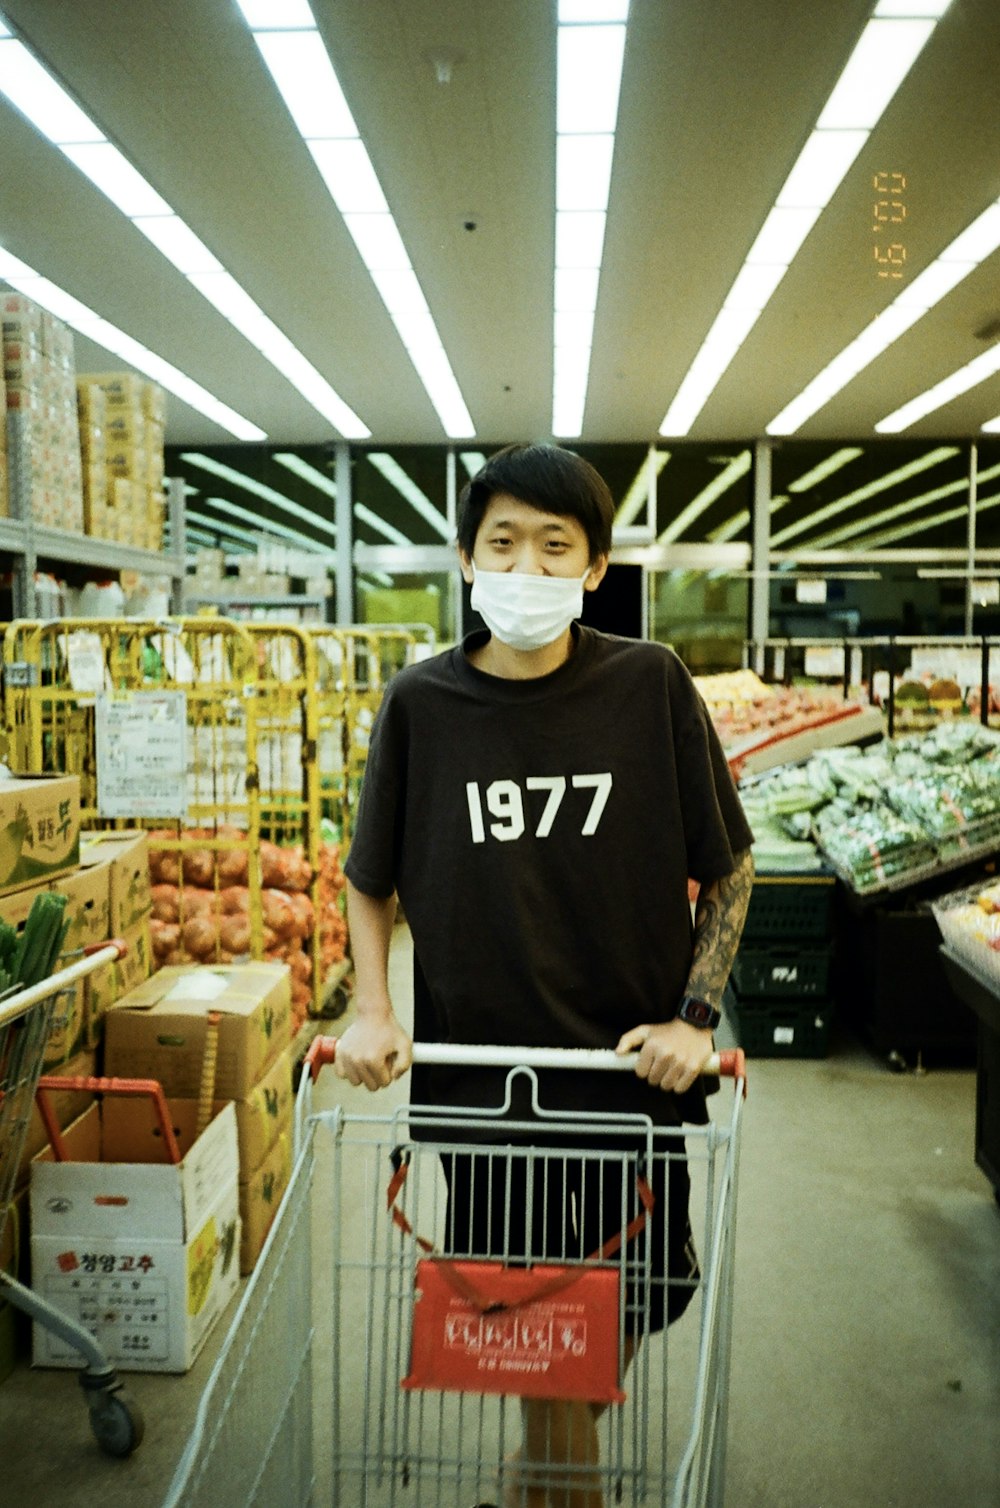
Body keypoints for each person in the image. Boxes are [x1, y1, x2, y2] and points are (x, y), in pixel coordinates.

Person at [334, 442, 754, 1508]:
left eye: (553, 543)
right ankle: (564, 1489)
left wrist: (694, 1018)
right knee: (525, 1310)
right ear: (467, 560)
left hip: (630, 1078)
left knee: (636, 1293)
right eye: (503, 541)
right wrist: (373, 1007)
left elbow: (729, 862)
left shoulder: (648, 683)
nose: (526, 563)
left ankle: (549, 1470)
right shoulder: (420, 703)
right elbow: (368, 873)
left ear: (595, 564)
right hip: (487, 1081)